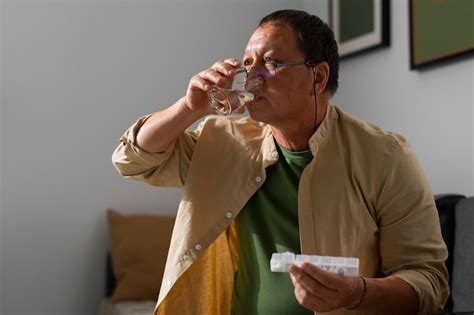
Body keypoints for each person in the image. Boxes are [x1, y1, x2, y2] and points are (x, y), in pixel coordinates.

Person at [112, 9, 449, 315]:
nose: (252, 76)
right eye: (247, 63)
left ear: (317, 78)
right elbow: (132, 160)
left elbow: (429, 281)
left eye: (270, 63)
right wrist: (188, 108)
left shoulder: (385, 156)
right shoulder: (223, 142)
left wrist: (356, 294)